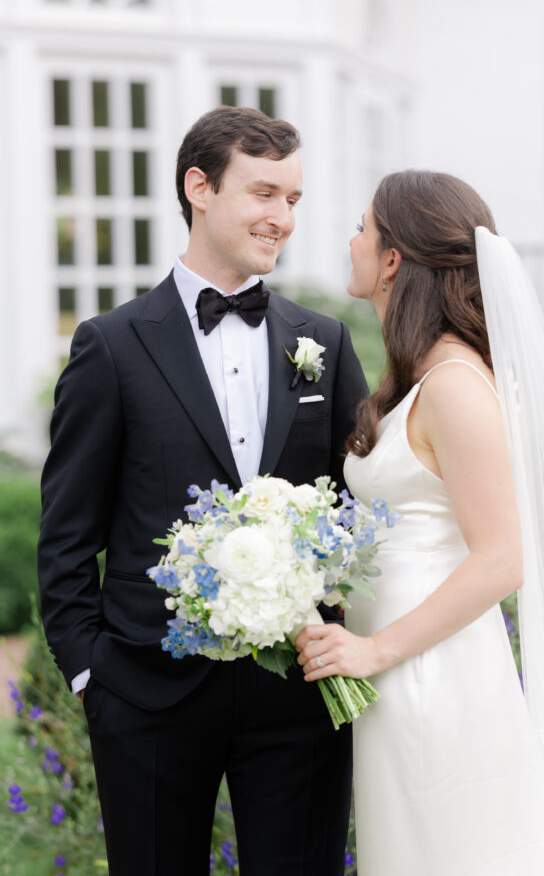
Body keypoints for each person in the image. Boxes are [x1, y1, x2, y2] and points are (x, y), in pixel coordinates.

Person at [296, 170, 544, 875]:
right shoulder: (419, 381)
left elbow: (503, 557)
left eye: (362, 228)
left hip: (429, 674)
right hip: (398, 671)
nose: (348, 240)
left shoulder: (452, 386)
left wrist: (374, 651)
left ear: (391, 260)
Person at [38, 106, 368, 876]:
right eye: (263, 194)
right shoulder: (111, 347)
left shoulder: (323, 340)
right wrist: (92, 674)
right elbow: (66, 533)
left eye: (292, 200)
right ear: (199, 187)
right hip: (145, 696)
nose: (281, 217)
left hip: (296, 699)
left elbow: (353, 508)